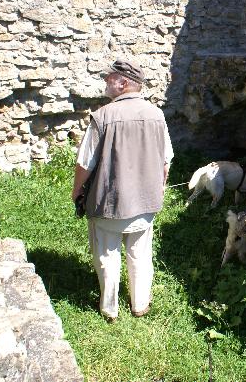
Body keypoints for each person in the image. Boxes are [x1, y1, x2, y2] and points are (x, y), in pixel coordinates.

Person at [71, 58, 174, 322]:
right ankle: (140, 305)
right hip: (146, 202)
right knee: (140, 254)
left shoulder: (103, 116)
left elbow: (85, 163)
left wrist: (77, 190)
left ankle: (110, 309)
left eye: (109, 78)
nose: (106, 82)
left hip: (110, 202)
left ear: (123, 83)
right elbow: (166, 161)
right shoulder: (157, 115)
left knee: (107, 256)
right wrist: (159, 189)